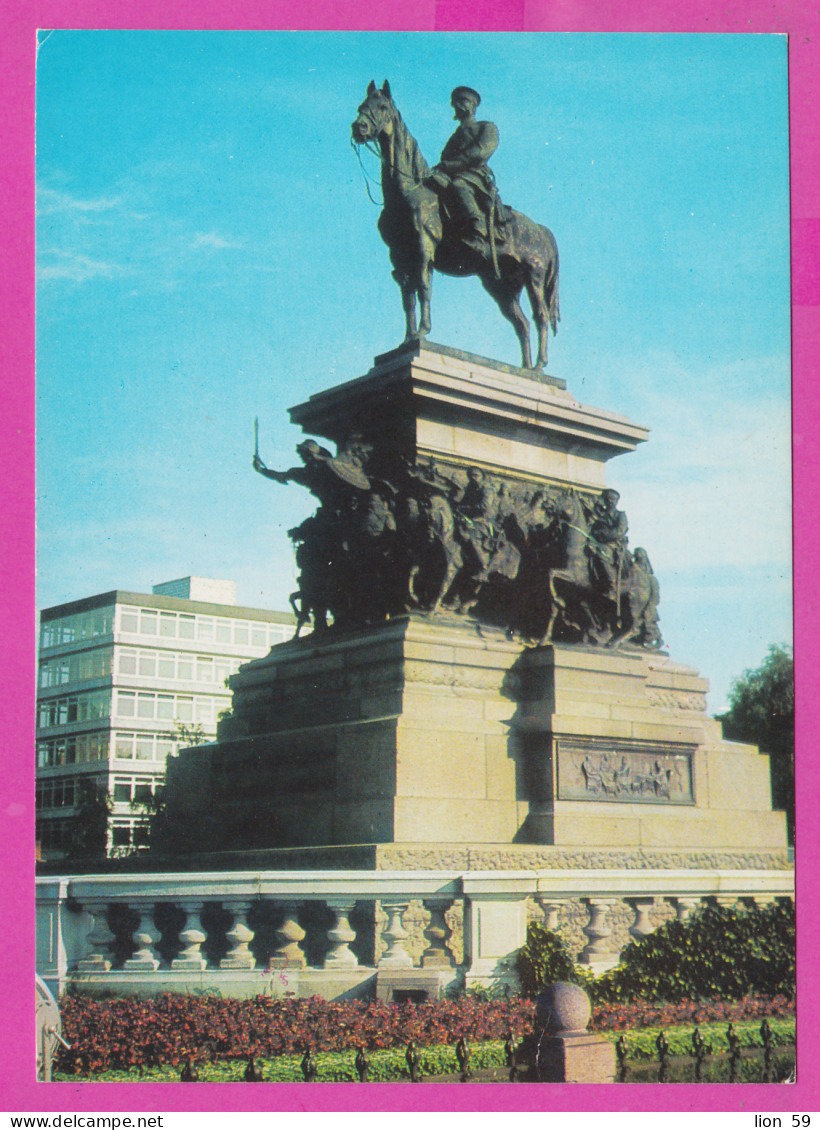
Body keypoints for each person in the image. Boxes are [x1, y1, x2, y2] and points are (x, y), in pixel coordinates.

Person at [427, 86, 508, 253]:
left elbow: (479, 153)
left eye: (463, 101)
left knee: (459, 185)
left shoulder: (487, 128)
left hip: (475, 175)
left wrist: (449, 166)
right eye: (455, 102)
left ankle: (478, 229)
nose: (458, 105)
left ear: (473, 105)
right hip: (451, 173)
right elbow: (445, 158)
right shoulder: (454, 136)